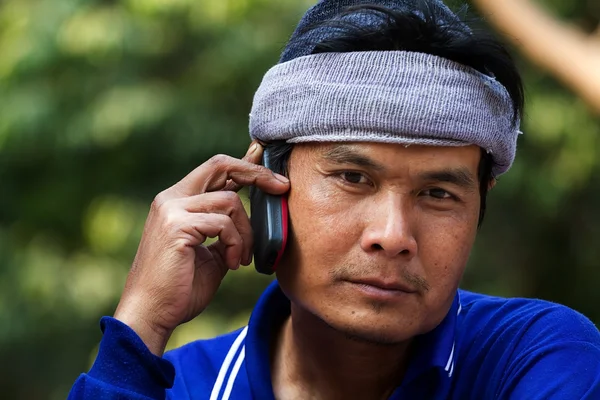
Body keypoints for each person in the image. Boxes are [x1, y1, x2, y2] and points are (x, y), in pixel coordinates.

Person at [68, 0, 600, 399]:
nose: (392, 236)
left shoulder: (537, 358)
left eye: (437, 193)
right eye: (352, 177)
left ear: (479, 206)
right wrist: (141, 322)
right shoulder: (179, 385)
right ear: (262, 181)